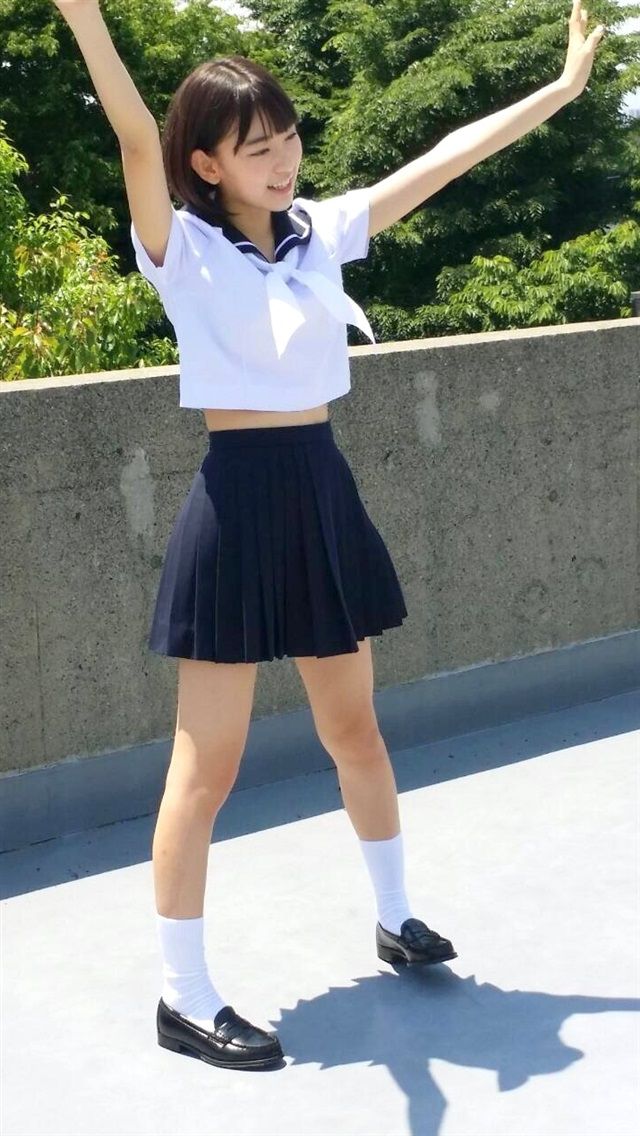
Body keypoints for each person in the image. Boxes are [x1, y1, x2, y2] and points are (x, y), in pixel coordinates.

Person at [52, 0, 604, 1071]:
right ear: (207, 163)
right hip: (237, 503)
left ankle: (395, 919)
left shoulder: (318, 233)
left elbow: (444, 159)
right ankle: (181, 994)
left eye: (289, 138)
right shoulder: (179, 249)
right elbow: (132, 135)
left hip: (319, 487)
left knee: (356, 730)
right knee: (206, 769)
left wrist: (562, 87)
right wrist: (85, 16)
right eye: (257, 148)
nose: (284, 160)